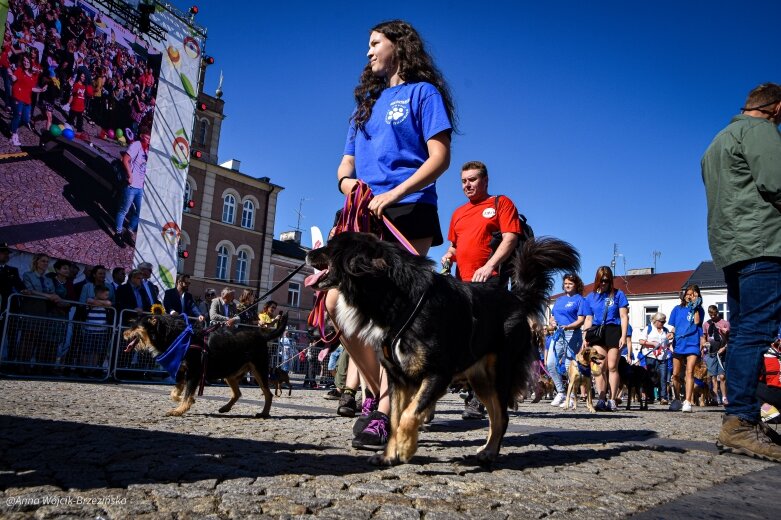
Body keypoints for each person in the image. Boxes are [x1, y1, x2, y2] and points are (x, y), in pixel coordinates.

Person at [328, 19, 455, 450]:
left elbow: (439, 158)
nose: (367, 52)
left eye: (374, 43)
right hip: (364, 216)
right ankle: (379, 394)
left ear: (398, 46)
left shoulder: (424, 94)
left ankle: (385, 411)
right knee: (336, 304)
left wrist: (395, 193)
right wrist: (352, 188)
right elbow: (345, 167)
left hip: (410, 211)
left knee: (394, 316)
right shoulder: (365, 105)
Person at [701, 82, 781, 461]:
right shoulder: (761, 132)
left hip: (731, 246)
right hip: (764, 242)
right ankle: (741, 422)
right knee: (756, 330)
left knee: (745, 329)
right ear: (776, 108)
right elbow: (777, 183)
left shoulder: (718, 141)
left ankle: (741, 418)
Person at [442, 161, 522, 285]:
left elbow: (510, 238)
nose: (467, 185)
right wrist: (448, 255)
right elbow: (454, 247)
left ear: (485, 181)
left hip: (490, 277)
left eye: (472, 179)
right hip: (461, 283)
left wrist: (489, 266)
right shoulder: (457, 213)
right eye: (463, 181)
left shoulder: (501, 202)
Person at [582, 266, 629, 411]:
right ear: (597, 280)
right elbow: (588, 318)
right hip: (597, 332)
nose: (604, 283)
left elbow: (623, 316)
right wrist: (585, 337)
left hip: (613, 330)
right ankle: (601, 398)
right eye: (601, 280)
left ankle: (612, 399)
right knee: (599, 366)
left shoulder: (618, 294)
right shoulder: (591, 297)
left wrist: (623, 336)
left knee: (612, 366)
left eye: (606, 280)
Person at [544, 274, 586, 408]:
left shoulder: (580, 300)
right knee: (550, 363)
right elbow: (552, 317)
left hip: (572, 333)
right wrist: (552, 321)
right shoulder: (559, 300)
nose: (567, 285)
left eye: (570, 283)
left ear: (576, 285)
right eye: (566, 283)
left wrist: (568, 326)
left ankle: (572, 396)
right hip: (558, 334)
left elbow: (581, 320)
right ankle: (561, 391)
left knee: (569, 365)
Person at [667, 285, 705, 413]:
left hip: (692, 343)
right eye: (688, 294)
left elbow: (696, 322)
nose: (690, 296)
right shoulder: (677, 309)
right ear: (684, 295)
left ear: (698, 296)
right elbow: (674, 327)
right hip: (679, 343)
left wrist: (695, 307)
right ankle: (677, 399)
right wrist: (671, 333)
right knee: (676, 374)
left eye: (693, 294)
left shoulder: (699, 310)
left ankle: (688, 401)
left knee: (689, 372)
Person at [114, 128, 151, 245]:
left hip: (140, 187)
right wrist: (129, 175)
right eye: (147, 137)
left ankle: (128, 232)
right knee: (123, 210)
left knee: (140, 211)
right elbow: (125, 159)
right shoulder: (136, 145)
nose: (149, 140)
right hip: (131, 185)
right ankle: (118, 233)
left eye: (150, 138)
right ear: (141, 136)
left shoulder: (147, 150)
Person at [8, 52, 47, 147]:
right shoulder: (19, 70)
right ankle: (13, 135)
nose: (25, 63)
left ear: (31, 63)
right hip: (17, 96)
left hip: (27, 100)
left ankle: (13, 125)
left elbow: (31, 88)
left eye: (27, 61)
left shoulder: (33, 76)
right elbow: (14, 78)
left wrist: (41, 90)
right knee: (17, 115)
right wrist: (11, 75)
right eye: (24, 61)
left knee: (26, 119)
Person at [637, 312, 672, 405]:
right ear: (656, 321)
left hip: (663, 357)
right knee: (651, 377)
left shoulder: (665, 330)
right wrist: (653, 344)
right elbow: (640, 341)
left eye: (664, 321)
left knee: (663, 377)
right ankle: (650, 397)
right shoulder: (648, 328)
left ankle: (663, 398)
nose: (663, 323)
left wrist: (670, 339)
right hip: (651, 356)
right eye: (661, 321)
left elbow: (668, 343)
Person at [703, 305, 729, 406]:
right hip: (711, 353)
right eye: (710, 315)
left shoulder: (725, 323)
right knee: (712, 376)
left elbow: (730, 338)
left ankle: (724, 397)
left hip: (722, 352)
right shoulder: (706, 324)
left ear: (717, 313)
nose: (712, 317)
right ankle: (715, 398)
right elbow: (704, 337)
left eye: (714, 314)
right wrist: (704, 344)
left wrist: (724, 348)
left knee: (722, 376)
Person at [0, 243, 26, 315]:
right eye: (3, 253)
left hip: (5, 305)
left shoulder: (12, 270)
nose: (6, 255)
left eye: (7, 253)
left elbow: (19, 284)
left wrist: (24, 290)